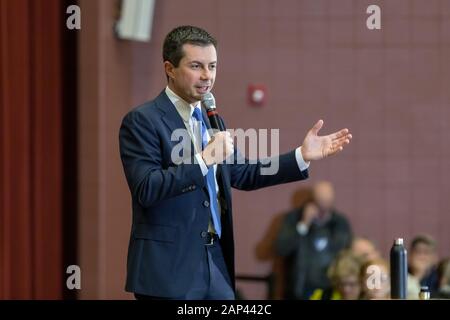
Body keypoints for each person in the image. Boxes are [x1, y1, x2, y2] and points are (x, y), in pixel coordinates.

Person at [119, 25, 352, 300]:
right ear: (169, 68)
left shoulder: (211, 119)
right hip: (168, 268)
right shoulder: (143, 121)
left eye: (213, 66)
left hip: (214, 260)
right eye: (196, 66)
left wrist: (301, 155)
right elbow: (147, 188)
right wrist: (205, 159)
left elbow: (243, 173)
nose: (207, 76)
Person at [275, 181, 353, 299]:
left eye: (328, 205)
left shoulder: (340, 223)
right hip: (300, 290)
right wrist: (303, 225)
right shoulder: (294, 218)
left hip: (331, 289)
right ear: (312, 201)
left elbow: (348, 254)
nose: (324, 211)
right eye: (320, 205)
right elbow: (281, 249)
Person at [407, 234, 439, 299]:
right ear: (410, 255)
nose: (422, 256)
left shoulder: (440, 278)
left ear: (434, 257)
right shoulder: (400, 276)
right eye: (418, 252)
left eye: (426, 252)